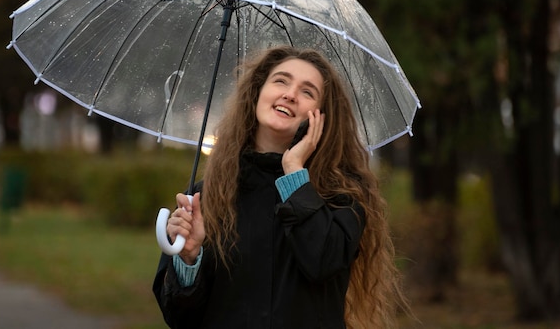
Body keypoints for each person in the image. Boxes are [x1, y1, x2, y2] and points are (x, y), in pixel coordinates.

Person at [153, 45, 407, 328]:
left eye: (307, 91)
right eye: (281, 81)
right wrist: (189, 258)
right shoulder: (207, 196)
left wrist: (294, 174)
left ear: (321, 117)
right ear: (257, 92)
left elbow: (322, 262)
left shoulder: (343, 197)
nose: (290, 94)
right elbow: (179, 317)